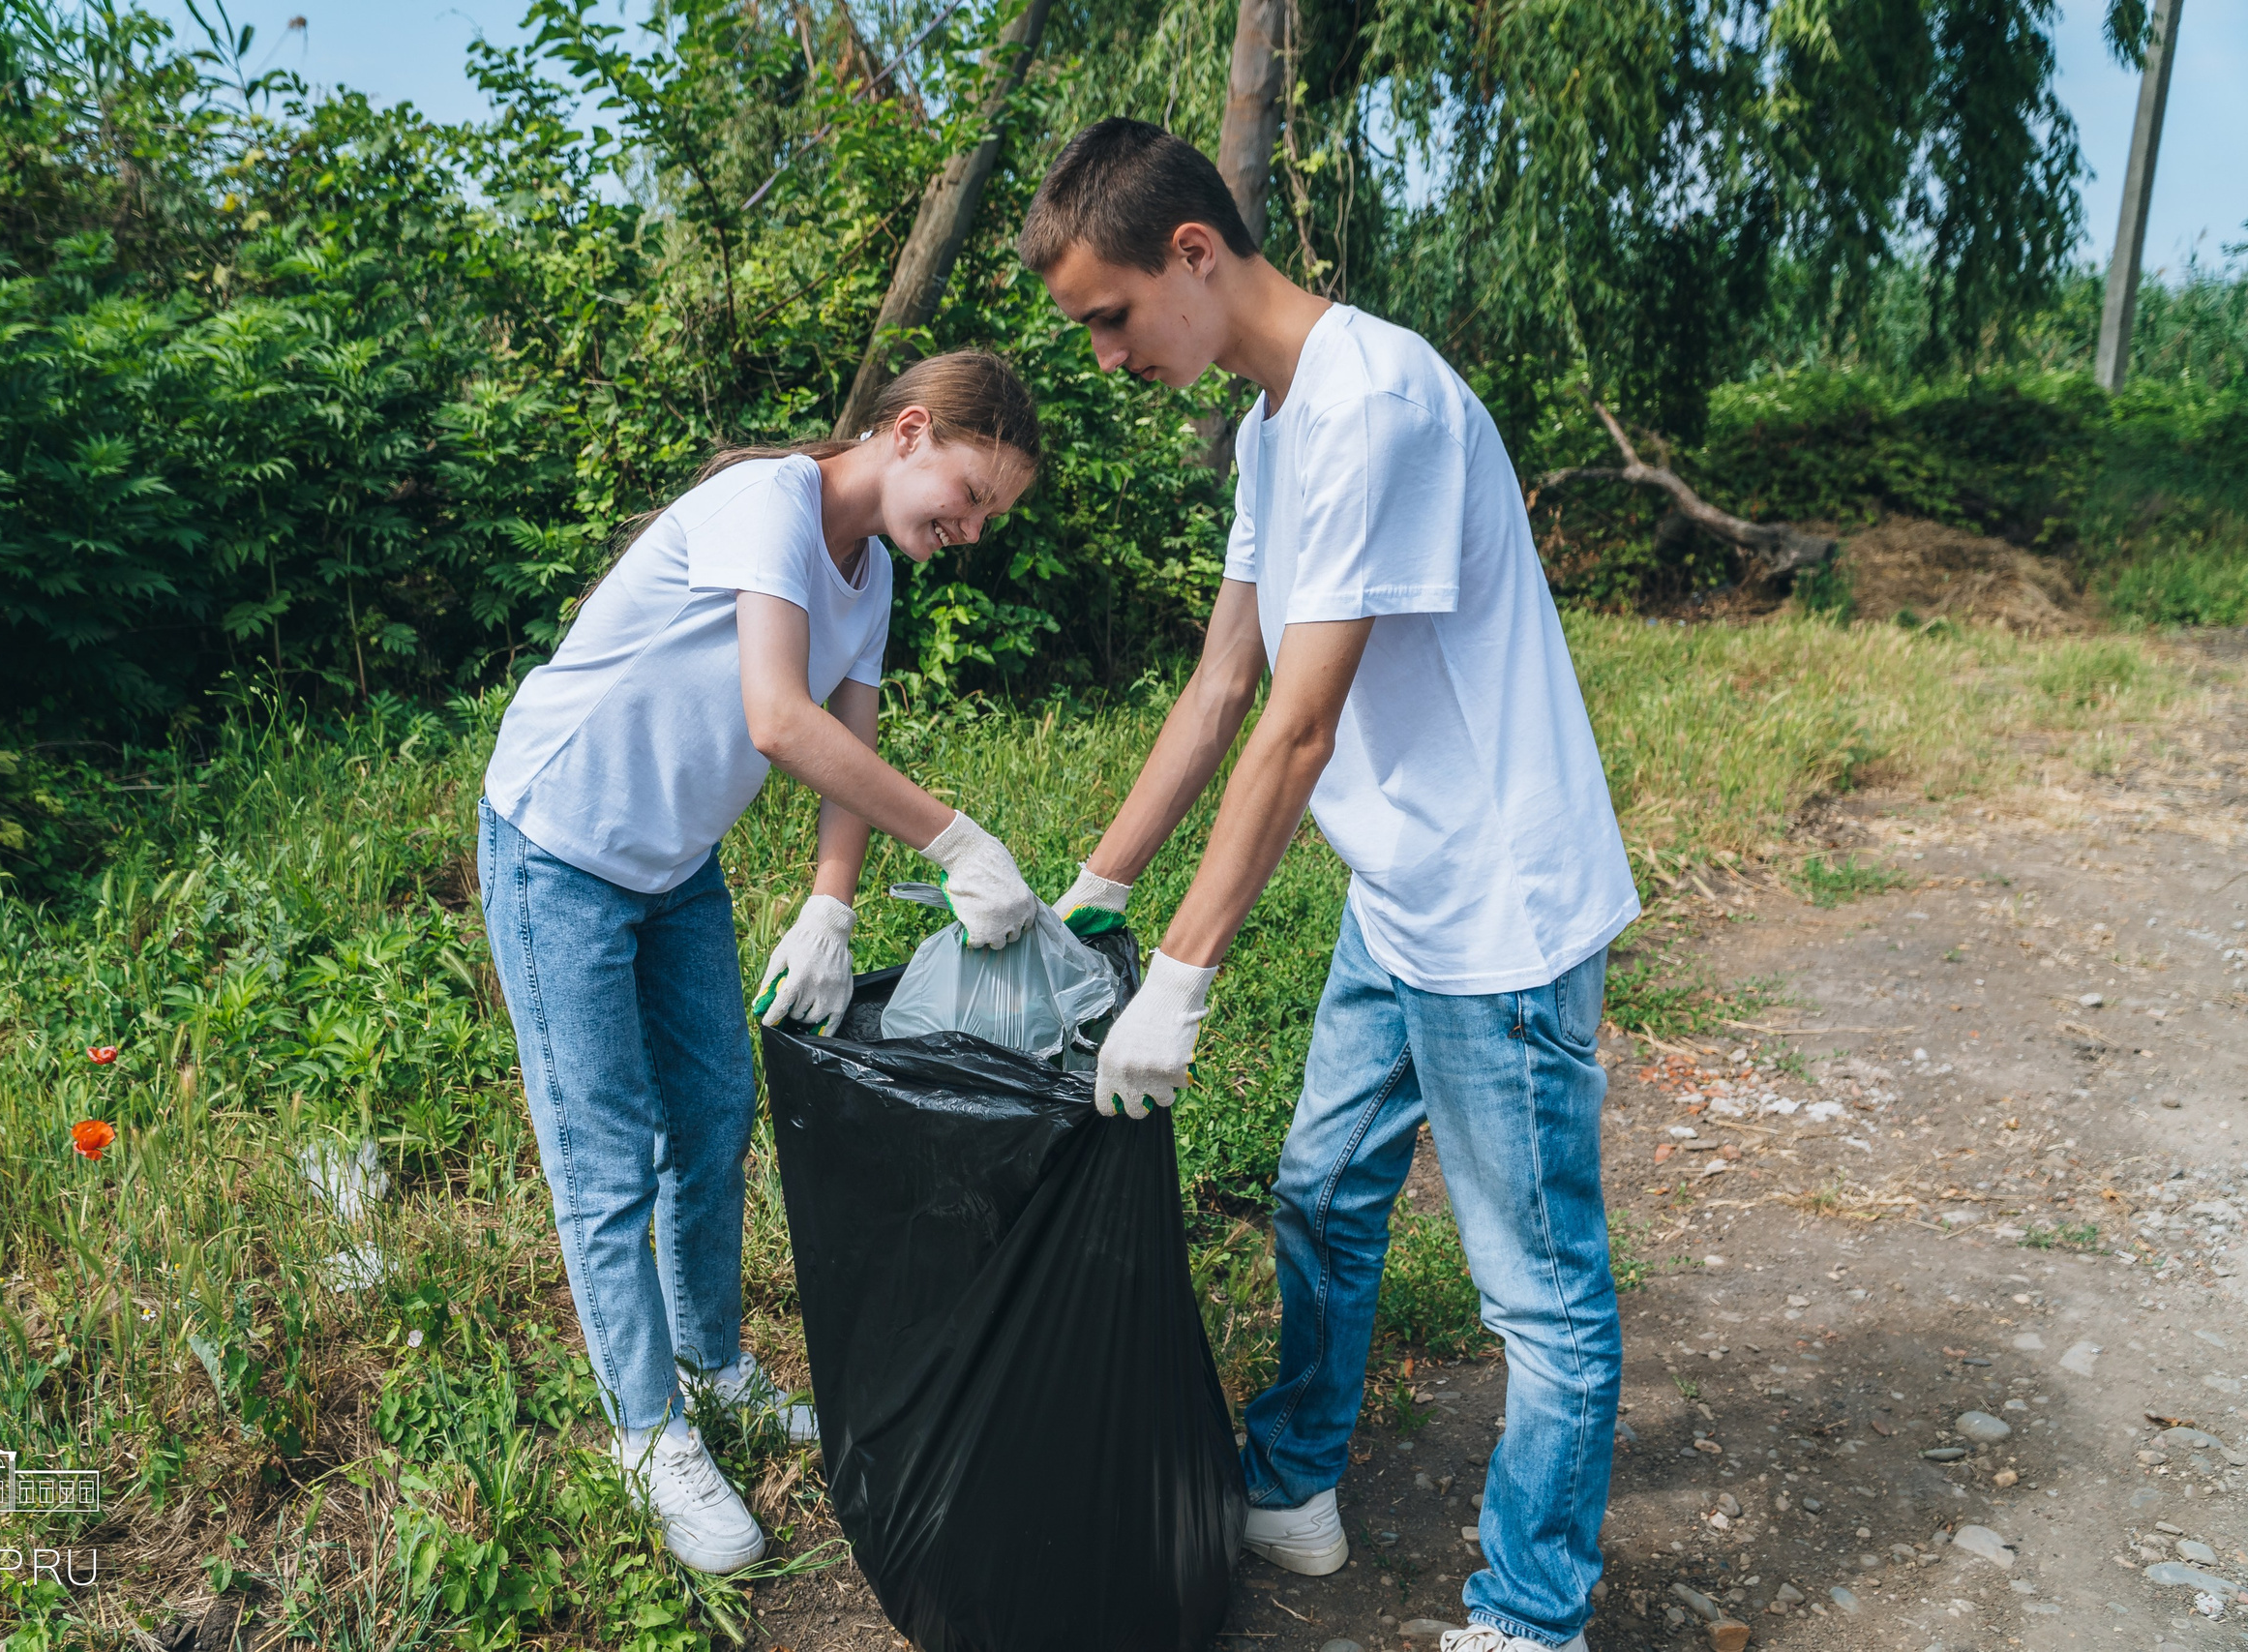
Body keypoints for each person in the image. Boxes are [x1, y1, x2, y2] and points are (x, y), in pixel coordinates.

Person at [1019, 121, 1639, 1652]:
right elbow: (1224, 680)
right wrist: (1097, 888)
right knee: (1321, 1188)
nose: (1102, 359)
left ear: (1192, 253)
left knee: (1543, 1295)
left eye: (1108, 317)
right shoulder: (1276, 427)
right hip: (1398, 893)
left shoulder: (1376, 402)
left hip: (1494, 913)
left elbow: (1301, 727)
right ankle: (1293, 1480)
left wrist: (1184, 973)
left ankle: (1532, 1611)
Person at [476, 351, 1046, 1574]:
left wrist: (832, 904)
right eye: (969, 492)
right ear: (907, 432)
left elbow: (849, 738)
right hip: (559, 843)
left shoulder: (872, 571)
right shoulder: (769, 506)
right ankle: (646, 1434)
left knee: (717, 1110)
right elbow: (774, 719)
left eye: (990, 514)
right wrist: (950, 839)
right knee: (605, 1151)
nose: (972, 527)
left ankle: (710, 1365)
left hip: (671, 860)